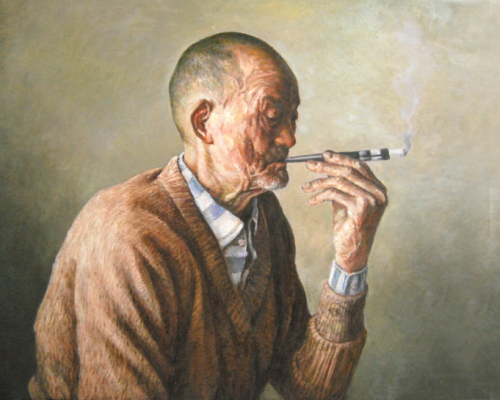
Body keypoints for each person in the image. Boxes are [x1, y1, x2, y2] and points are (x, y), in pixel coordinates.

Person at [29, 32, 387, 400]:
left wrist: (350, 262)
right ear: (204, 122)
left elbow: (310, 390)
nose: (290, 139)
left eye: (292, 118)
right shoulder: (125, 233)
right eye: (272, 116)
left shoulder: (265, 218)